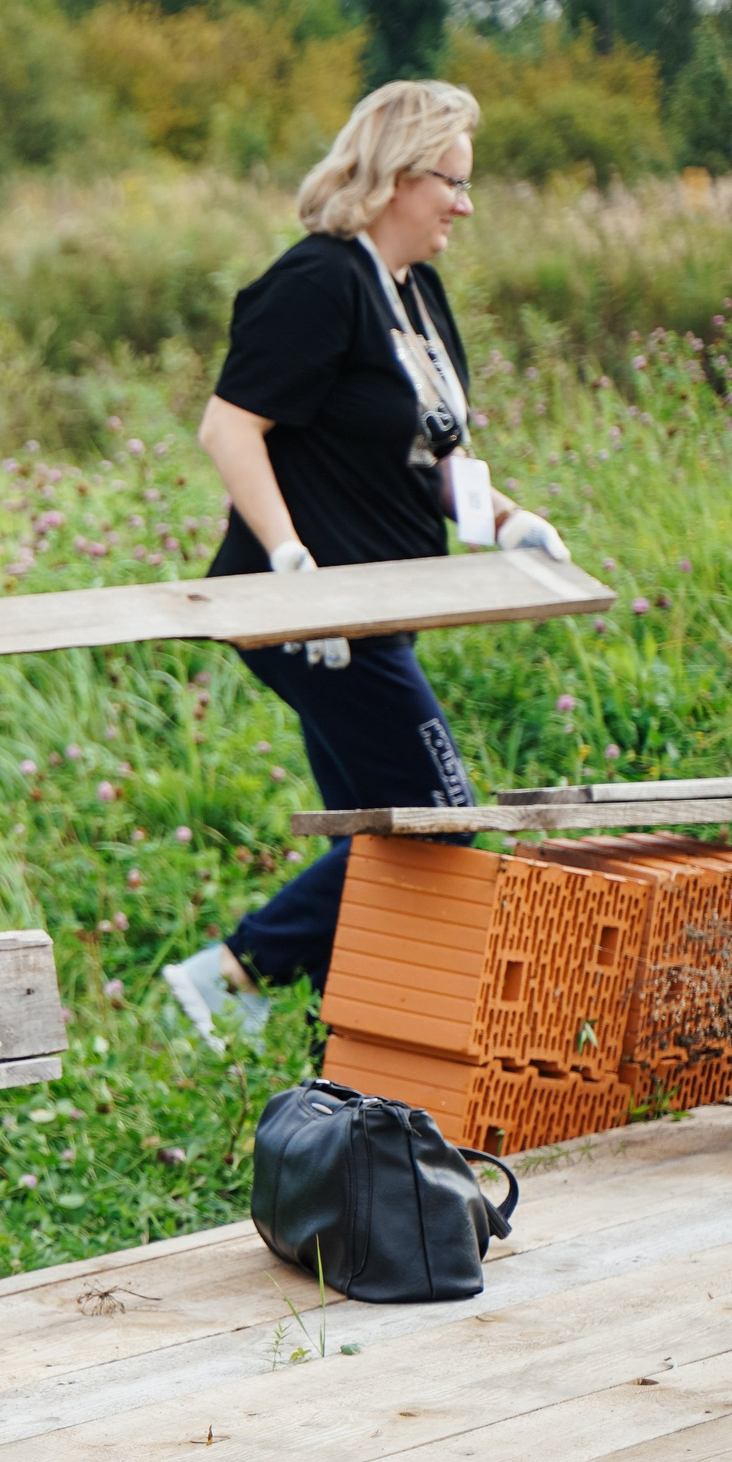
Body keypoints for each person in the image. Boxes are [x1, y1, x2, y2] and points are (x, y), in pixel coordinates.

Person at [162, 81, 569, 1039]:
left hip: (379, 608)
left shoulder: (416, 295)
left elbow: (438, 457)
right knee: (440, 817)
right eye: (453, 184)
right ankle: (230, 973)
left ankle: (355, 1018)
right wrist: (289, 556)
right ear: (395, 176)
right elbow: (229, 428)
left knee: (381, 829)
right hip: (312, 616)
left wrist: (507, 522)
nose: (466, 206)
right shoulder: (318, 281)